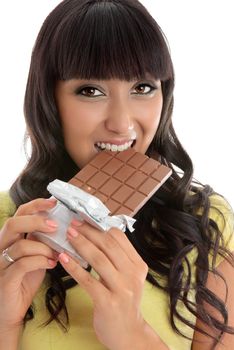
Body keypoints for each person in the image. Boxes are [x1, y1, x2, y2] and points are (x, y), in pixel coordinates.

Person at [0, 0, 234, 349]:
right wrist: (5, 324)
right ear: (49, 99)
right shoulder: (8, 227)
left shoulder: (206, 224)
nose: (122, 123)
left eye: (142, 87)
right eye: (91, 91)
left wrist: (132, 334)